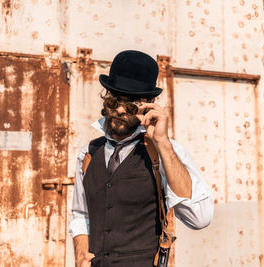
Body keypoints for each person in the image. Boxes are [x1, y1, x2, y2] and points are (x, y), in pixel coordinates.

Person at [69, 50, 214, 267]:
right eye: (113, 101)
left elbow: (199, 218)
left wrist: (163, 143)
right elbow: (81, 214)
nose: (119, 110)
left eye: (130, 106)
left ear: (150, 104)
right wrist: (81, 253)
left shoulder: (165, 152)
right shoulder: (88, 153)